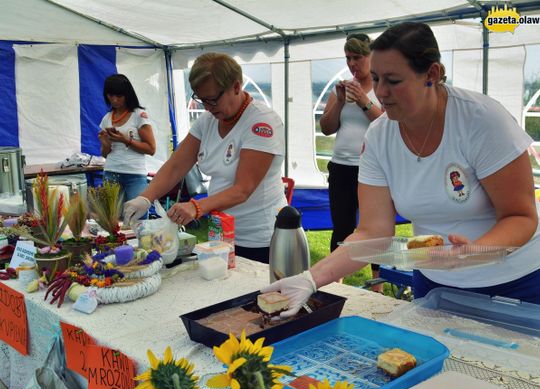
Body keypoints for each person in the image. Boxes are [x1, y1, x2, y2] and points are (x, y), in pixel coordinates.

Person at [263, 22, 540, 317]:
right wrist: (311, 278)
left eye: (393, 81)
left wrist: (470, 253)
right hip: (436, 285)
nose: (380, 92)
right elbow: (373, 231)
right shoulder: (380, 136)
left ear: (431, 74)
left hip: (515, 285)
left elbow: (520, 217)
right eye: (377, 78)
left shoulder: (481, 121)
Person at [123, 52, 287, 263]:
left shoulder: (261, 123)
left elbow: (243, 189)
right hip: (223, 232)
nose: (207, 107)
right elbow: (175, 166)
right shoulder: (207, 121)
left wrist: (197, 206)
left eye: (212, 99)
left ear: (236, 87)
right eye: (201, 99)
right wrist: (145, 198)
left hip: (260, 238)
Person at [319, 33, 383, 291]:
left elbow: (388, 125)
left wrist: (365, 102)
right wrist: (340, 102)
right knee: (342, 226)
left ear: (371, 57)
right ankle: (337, 282)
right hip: (341, 167)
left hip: (372, 169)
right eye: (348, 58)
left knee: (375, 228)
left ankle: (378, 283)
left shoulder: (381, 87)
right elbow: (326, 128)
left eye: (358, 57)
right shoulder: (341, 89)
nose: (353, 64)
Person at [98, 74, 156, 207]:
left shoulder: (138, 115)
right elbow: (105, 154)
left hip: (134, 174)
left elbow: (151, 149)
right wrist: (105, 143)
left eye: (119, 96)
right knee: (112, 219)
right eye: (110, 95)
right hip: (111, 171)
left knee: (137, 217)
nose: (114, 100)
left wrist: (126, 141)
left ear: (127, 94)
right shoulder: (106, 118)